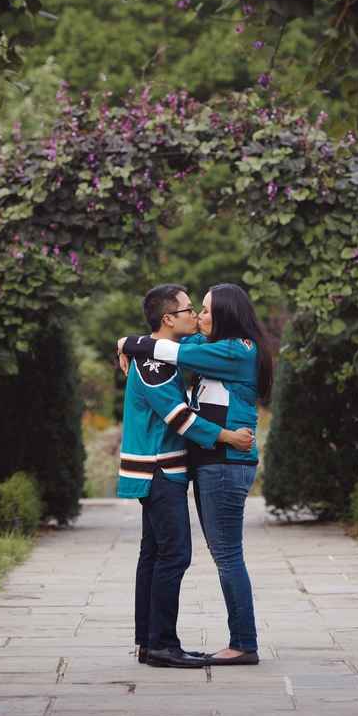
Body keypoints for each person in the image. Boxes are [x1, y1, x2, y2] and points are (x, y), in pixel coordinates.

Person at [119, 282, 273, 666]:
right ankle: (155, 642)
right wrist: (130, 343)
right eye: (195, 310)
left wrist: (128, 343)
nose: (199, 316)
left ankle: (242, 643)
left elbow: (168, 349)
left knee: (224, 555)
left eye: (204, 310)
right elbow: (169, 349)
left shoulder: (238, 350)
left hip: (225, 461)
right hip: (207, 460)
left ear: (225, 314)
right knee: (169, 554)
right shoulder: (205, 349)